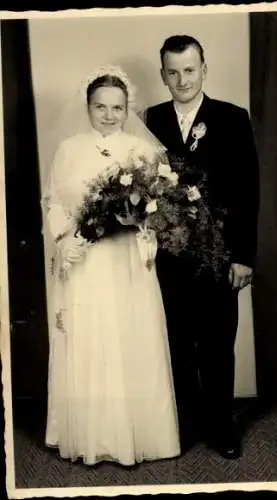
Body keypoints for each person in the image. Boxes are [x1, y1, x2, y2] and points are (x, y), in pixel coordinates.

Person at [41, 65, 180, 466]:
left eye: (116, 108)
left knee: (128, 336)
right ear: (87, 106)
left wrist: (136, 220)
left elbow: (159, 210)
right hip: (84, 261)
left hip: (126, 260)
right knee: (89, 337)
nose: (108, 115)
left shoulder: (144, 152)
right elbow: (54, 201)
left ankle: (137, 435)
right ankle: (93, 436)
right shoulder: (68, 149)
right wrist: (64, 238)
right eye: (99, 106)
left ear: (127, 109)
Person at [145, 35, 260, 459]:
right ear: (162, 75)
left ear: (203, 70)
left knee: (216, 343)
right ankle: (187, 423)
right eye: (172, 72)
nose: (182, 79)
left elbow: (249, 191)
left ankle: (222, 425)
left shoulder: (232, 118)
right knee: (176, 341)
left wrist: (244, 256)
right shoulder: (150, 119)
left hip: (218, 255)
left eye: (189, 70)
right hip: (169, 256)